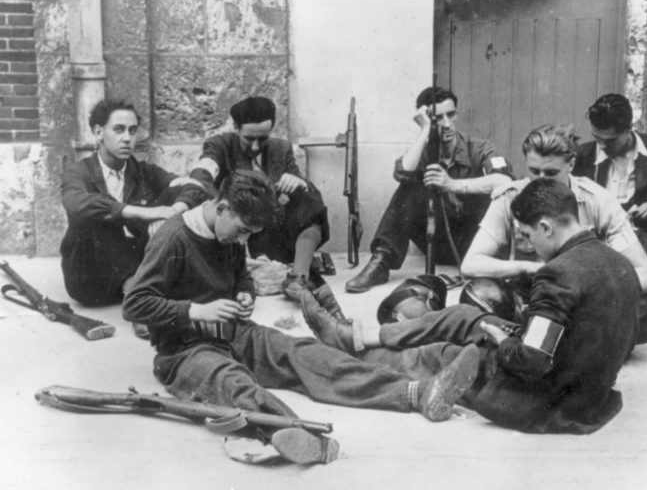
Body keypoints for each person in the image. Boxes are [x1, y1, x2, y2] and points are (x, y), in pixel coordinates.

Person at [122, 169, 480, 465]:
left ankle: (416, 393)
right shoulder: (172, 239)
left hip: (235, 332)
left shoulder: (229, 234)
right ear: (223, 207)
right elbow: (135, 303)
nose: (242, 240)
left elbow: (239, 274)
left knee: (303, 353)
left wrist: (244, 292)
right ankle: (295, 434)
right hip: (184, 351)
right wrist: (195, 311)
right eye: (242, 230)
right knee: (231, 381)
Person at [302, 179, 640, 434]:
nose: (529, 246)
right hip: (587, 392)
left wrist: (502, 340)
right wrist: (503, 331)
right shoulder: (620, 263)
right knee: (465, 315)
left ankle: (349, 355)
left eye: (527, 235)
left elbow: (533, 361)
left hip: (550, 399)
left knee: (443, 355)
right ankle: (357, 336)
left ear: (547, 227)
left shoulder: (557, 274)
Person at [461, 123, 647, 344]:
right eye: (534, 171)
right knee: (479, 292)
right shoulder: (508, 198)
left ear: (571, 164)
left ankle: (540, 337)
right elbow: (470, 264)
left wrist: (591, 285)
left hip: (584, 298)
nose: (541, 180)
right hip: (529, 292)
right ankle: (566, 340)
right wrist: (528, 267)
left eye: (551, 173)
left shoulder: (598, 200)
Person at [346, 86, 513, 293]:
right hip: (438, 243)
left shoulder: (478, 148)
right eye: (437, 118)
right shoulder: (423, 152)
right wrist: (425, 130)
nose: (447, 124)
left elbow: (505, 180)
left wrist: (452, 184)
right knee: (409, 187)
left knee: (491, 190)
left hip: (477, 242)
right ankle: (381, 262)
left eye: (450, 115)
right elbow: (402, 173)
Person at [188, 96, 340, 313]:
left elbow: (302, 196)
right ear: (236, 127)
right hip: (236, 233)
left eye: (263, 139)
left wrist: (299, 183)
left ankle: (298, 279)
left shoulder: (281, 148)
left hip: (271, 235)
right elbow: (202, 175)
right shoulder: (220, 146)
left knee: (309, 197)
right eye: (248, 138)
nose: (256, 146)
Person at [60, 98, 206, 310]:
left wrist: (171, 212)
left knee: (178, 194)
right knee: (95, 215)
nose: (127, 138)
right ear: (99, 132)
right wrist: (144, 213)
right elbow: (74, 202)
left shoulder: (142, 171)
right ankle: (141, 297)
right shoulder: (79, 171)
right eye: (118, 130)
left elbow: (193, 188)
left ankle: (139, 292)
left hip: (134, 265)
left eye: (132, 130)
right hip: (92, 280)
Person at [573, 93, 647, 265]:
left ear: (629, 128)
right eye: (596, 138)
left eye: (610, 140)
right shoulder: (583, 156)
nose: (601, 146)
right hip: (596, 242)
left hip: (644, 241)